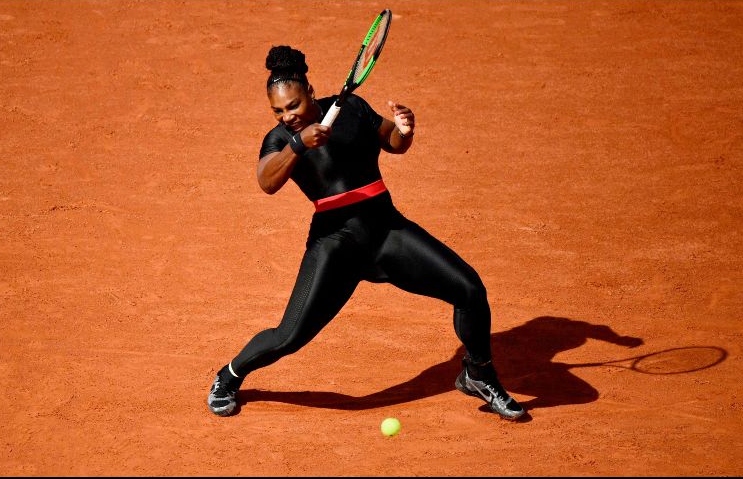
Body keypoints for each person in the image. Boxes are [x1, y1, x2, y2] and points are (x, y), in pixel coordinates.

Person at [207, 45, 525, 421]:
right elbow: (266, 181)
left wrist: (405, 130)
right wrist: (298, 143)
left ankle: (478, 373)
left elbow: (392, 141)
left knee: (469, 289)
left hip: (387, 232)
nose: (287, 116)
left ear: (310, 91)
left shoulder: (352, 108)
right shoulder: (279, 140)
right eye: (278, 111)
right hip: (336, 246)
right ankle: (229, 376)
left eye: (293, 106)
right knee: (289, 336)